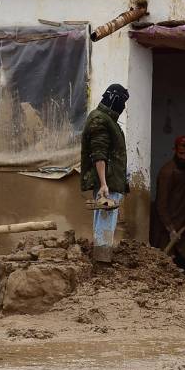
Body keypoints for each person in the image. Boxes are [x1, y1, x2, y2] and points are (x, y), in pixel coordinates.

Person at [80, 83, 130, 264]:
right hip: (107, 182)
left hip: (111, 180)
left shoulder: (107, 119)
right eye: (123, 102)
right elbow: (98, 153)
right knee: (105, 220)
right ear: (115, 99)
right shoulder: (100, 120)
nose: (123, 107)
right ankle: (102, 262)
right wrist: (103, 184)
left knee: (106, 220)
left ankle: (102, 258)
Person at [153, 136, 185, 271]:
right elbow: (161, 205)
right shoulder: (167, 172)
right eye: (181, 153)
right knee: (166, 264)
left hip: (183, 224)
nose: (184, 157)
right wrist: (171, 229)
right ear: (175, 150)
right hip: (166, 227)